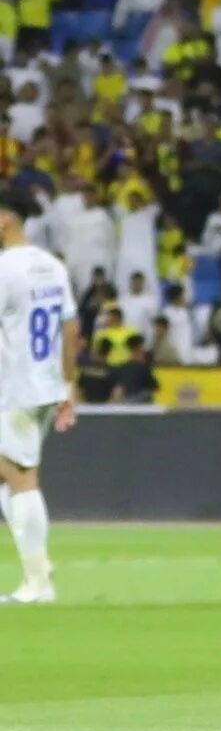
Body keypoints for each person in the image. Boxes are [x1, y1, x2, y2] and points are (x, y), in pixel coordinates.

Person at [0, 193, 81, 605]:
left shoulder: (4, 270)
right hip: (45, 384)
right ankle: (38, 565)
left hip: (14, 386)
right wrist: (69, 383)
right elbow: (70, 328)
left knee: (20, 476)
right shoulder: (51, 265)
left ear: (5, 220)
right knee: (6, 477)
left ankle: (38, 584)